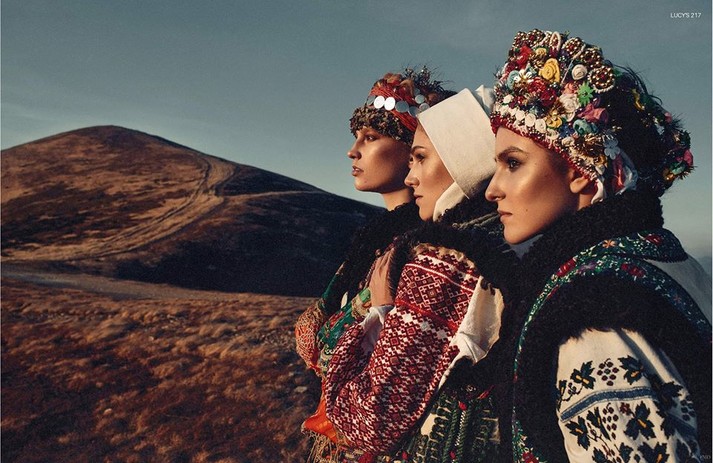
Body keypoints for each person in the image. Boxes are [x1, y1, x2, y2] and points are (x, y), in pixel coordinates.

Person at [481, 29, 712, 462]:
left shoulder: (593, 318)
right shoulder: (665, 258)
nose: (492, 189)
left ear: (581, 170)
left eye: (513, 163)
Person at [324, 87, 515, 462]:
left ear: (463, 158)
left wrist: (379, 311)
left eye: (420, 158)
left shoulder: (445, 259)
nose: (411, 178)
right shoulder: (499, 241)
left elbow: (369, 419)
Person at [294, 67, 456, 463]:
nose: (353, 151)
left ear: (413, 149)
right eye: (356, 137)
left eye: (371, 138)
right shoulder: (374, 242)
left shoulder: (417, 251)